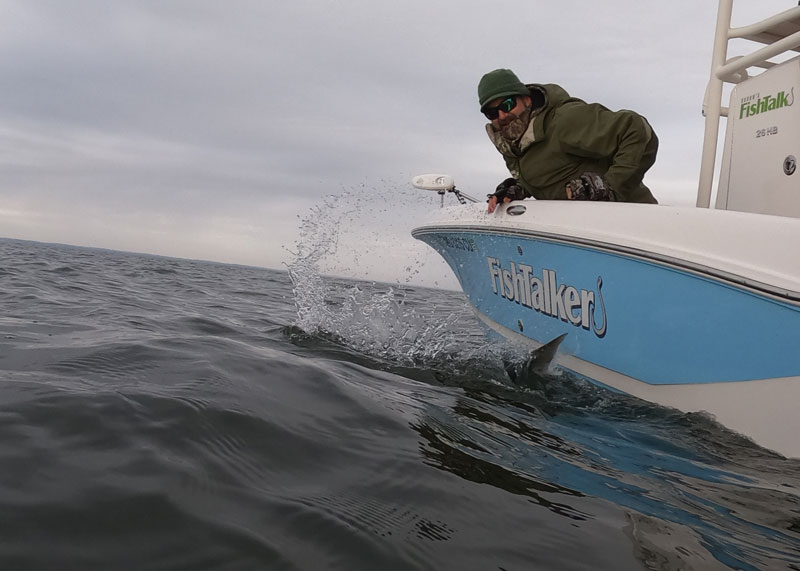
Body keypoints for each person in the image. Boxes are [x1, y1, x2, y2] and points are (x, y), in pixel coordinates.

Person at [478, 68, 659, 213]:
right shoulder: (514, 145)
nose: (502, 115)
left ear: (526, 99)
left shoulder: (563, 121)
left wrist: (610, 186)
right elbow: (554, 171)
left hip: (633, 226)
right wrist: (519, 188)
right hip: (582, 231)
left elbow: (635, 128)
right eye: (492, 113)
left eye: (508, 104)